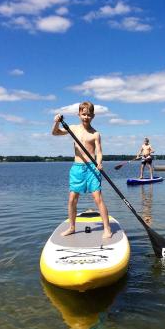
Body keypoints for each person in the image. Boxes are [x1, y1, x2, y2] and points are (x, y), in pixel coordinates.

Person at [52, 101, 112, 238]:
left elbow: (99, 152)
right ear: (79, 114)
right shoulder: (73, 128)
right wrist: (56, 122)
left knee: (98, 198)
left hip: (92, 168)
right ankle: (72, 227)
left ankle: (107, 228)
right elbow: (55, 133)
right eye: (83, 114)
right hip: (77, 168)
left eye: (89, 115)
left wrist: (99, 162)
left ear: (93, 116)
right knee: (72, 198)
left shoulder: (95, 134)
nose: (86, 117)